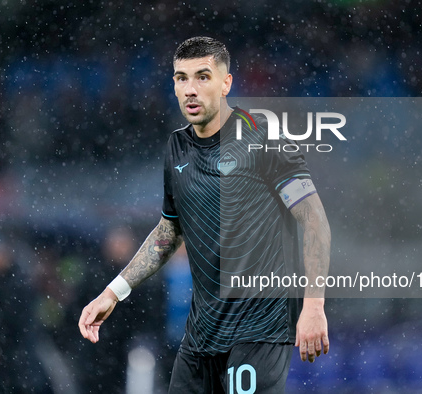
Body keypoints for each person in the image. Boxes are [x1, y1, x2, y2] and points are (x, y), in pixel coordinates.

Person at [79, 36, 331, 393]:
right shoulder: (177, 147)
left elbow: (314, 220)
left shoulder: (264, 137)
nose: (190, 89)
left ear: (226, 82)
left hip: (260, 329)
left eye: (203, 76)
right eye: (181, 78)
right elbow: (170, 230)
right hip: (201, 336)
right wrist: (114, 292)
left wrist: (314, 305)